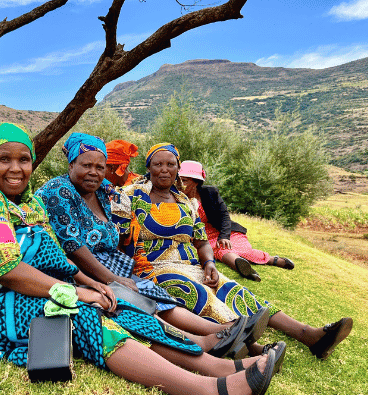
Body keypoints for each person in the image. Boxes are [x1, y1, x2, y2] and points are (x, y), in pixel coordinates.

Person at [0, 122, 277, 395]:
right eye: (4, 159)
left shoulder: (28, 203)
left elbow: (52, 254)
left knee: (115, 303)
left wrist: (90, 281)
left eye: (24, 159)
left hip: (16, 288)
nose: (16, 168)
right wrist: (79, 294)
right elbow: (5, 270)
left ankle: (216, 366)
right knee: (81, 313)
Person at [36, 133, 271, 360]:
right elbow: (73, 247)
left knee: (158, 297)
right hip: (82, 271)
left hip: (115, 266)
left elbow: (120, 236)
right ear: (71, 164)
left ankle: (230, 332)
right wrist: (113, 278)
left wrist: (126, 271)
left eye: (100, 167)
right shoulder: (60, 190)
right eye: (86, 165)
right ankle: (208, 339)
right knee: (142, 300)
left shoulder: (104, 193)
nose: (94, 173)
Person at [112, 143, 353, 360]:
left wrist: (209, 264)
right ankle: (251, 347)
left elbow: (202, 241)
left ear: (178, 169)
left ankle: (308, 335)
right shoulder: (130, 196)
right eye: (158, 164)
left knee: (234, 289)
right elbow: (120, 239)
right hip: (153, 269)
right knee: (199, 295)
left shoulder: (186, 202)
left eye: (170, 164)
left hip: (192, 265)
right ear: (148, 167)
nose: (164, 170)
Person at [179, 160, 294, 282]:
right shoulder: (177, 198)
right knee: (220, 250)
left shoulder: (210, 193)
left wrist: (224, 236)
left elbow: (224, 215)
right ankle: (245, 268)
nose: (180, 184)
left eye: (184, 180)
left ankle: (269, 260)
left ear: (196, 182)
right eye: (179, 179)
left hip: (223, 231)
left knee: (236, 247)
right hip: (202, 237)